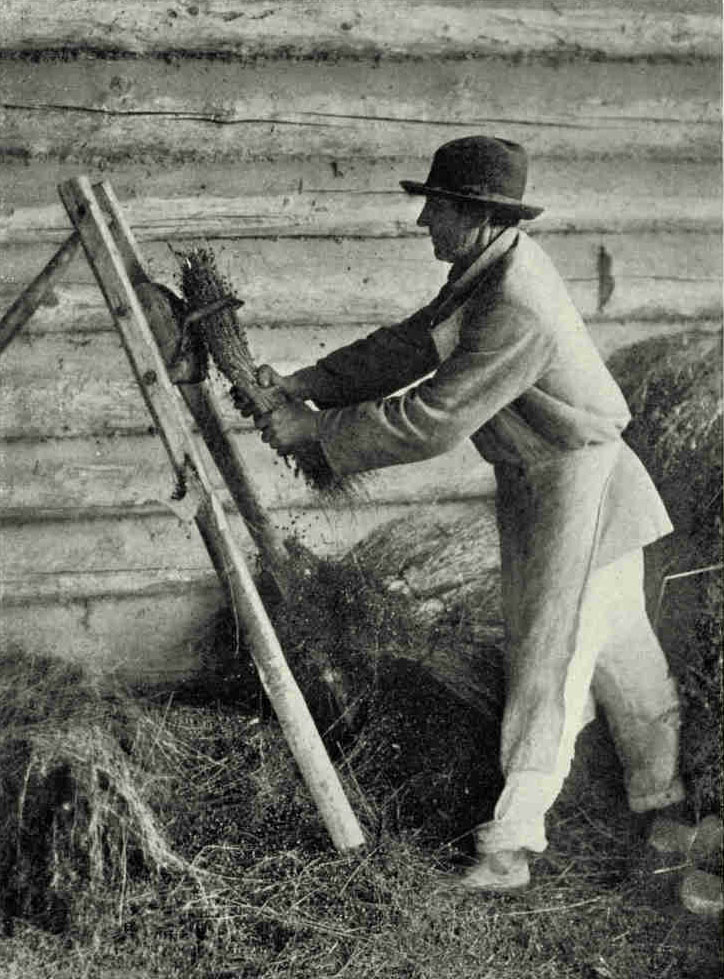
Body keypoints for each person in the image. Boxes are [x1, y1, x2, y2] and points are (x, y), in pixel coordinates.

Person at [248, 136, 685, 892]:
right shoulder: (487, 269)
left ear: (476, 213)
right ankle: (669, 800)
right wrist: (307, 380)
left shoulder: (519, 304)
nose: (424, 221)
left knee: (549, 660)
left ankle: (509, 850)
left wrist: (317, 432)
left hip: (577, 481)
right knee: (621, 647)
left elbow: (434, 417)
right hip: (554, 474)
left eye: (436, 207)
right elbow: (409, 346)